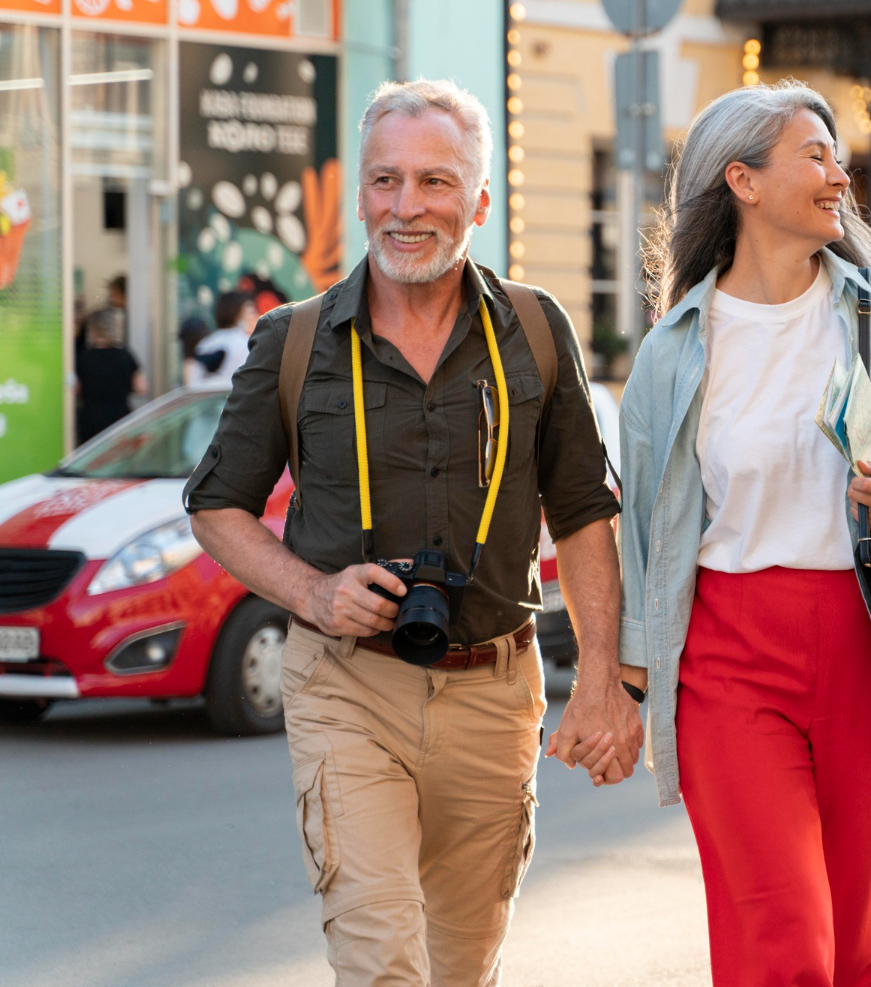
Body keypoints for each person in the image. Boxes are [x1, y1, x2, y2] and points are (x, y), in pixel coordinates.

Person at [183, 79, 638, 984]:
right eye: (385, 181)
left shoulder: (538, 332)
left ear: (477, 200)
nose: (406, 207)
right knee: (381, 955)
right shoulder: (292, 341)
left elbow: (586, 511)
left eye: (434, 182)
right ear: (359, 195)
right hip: (346, 688)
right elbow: (216, 506)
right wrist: (314, 591)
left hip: (495, 691)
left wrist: (604, 683)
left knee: (461, 965)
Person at [617, 81, 871, 986]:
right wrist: (625, 674)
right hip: (732, 660)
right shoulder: (672, 352)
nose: (838, 174)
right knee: (786, 947)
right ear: (742, 180)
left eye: (837, 157)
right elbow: (644, 530)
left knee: (852, 951)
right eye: (814, 156)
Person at [74, 306, 146, 444]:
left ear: (93, 331)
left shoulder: (84, 358)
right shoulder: (126, 355)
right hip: (121, 421)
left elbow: (76, 388)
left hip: (91, 422)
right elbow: (141, 388)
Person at [188, 291, 259, 384]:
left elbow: (194, 383)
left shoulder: (206, 343)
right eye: (250, 312)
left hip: (206, 396)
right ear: (238, 314)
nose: (256, 317)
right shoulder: (246, 344)